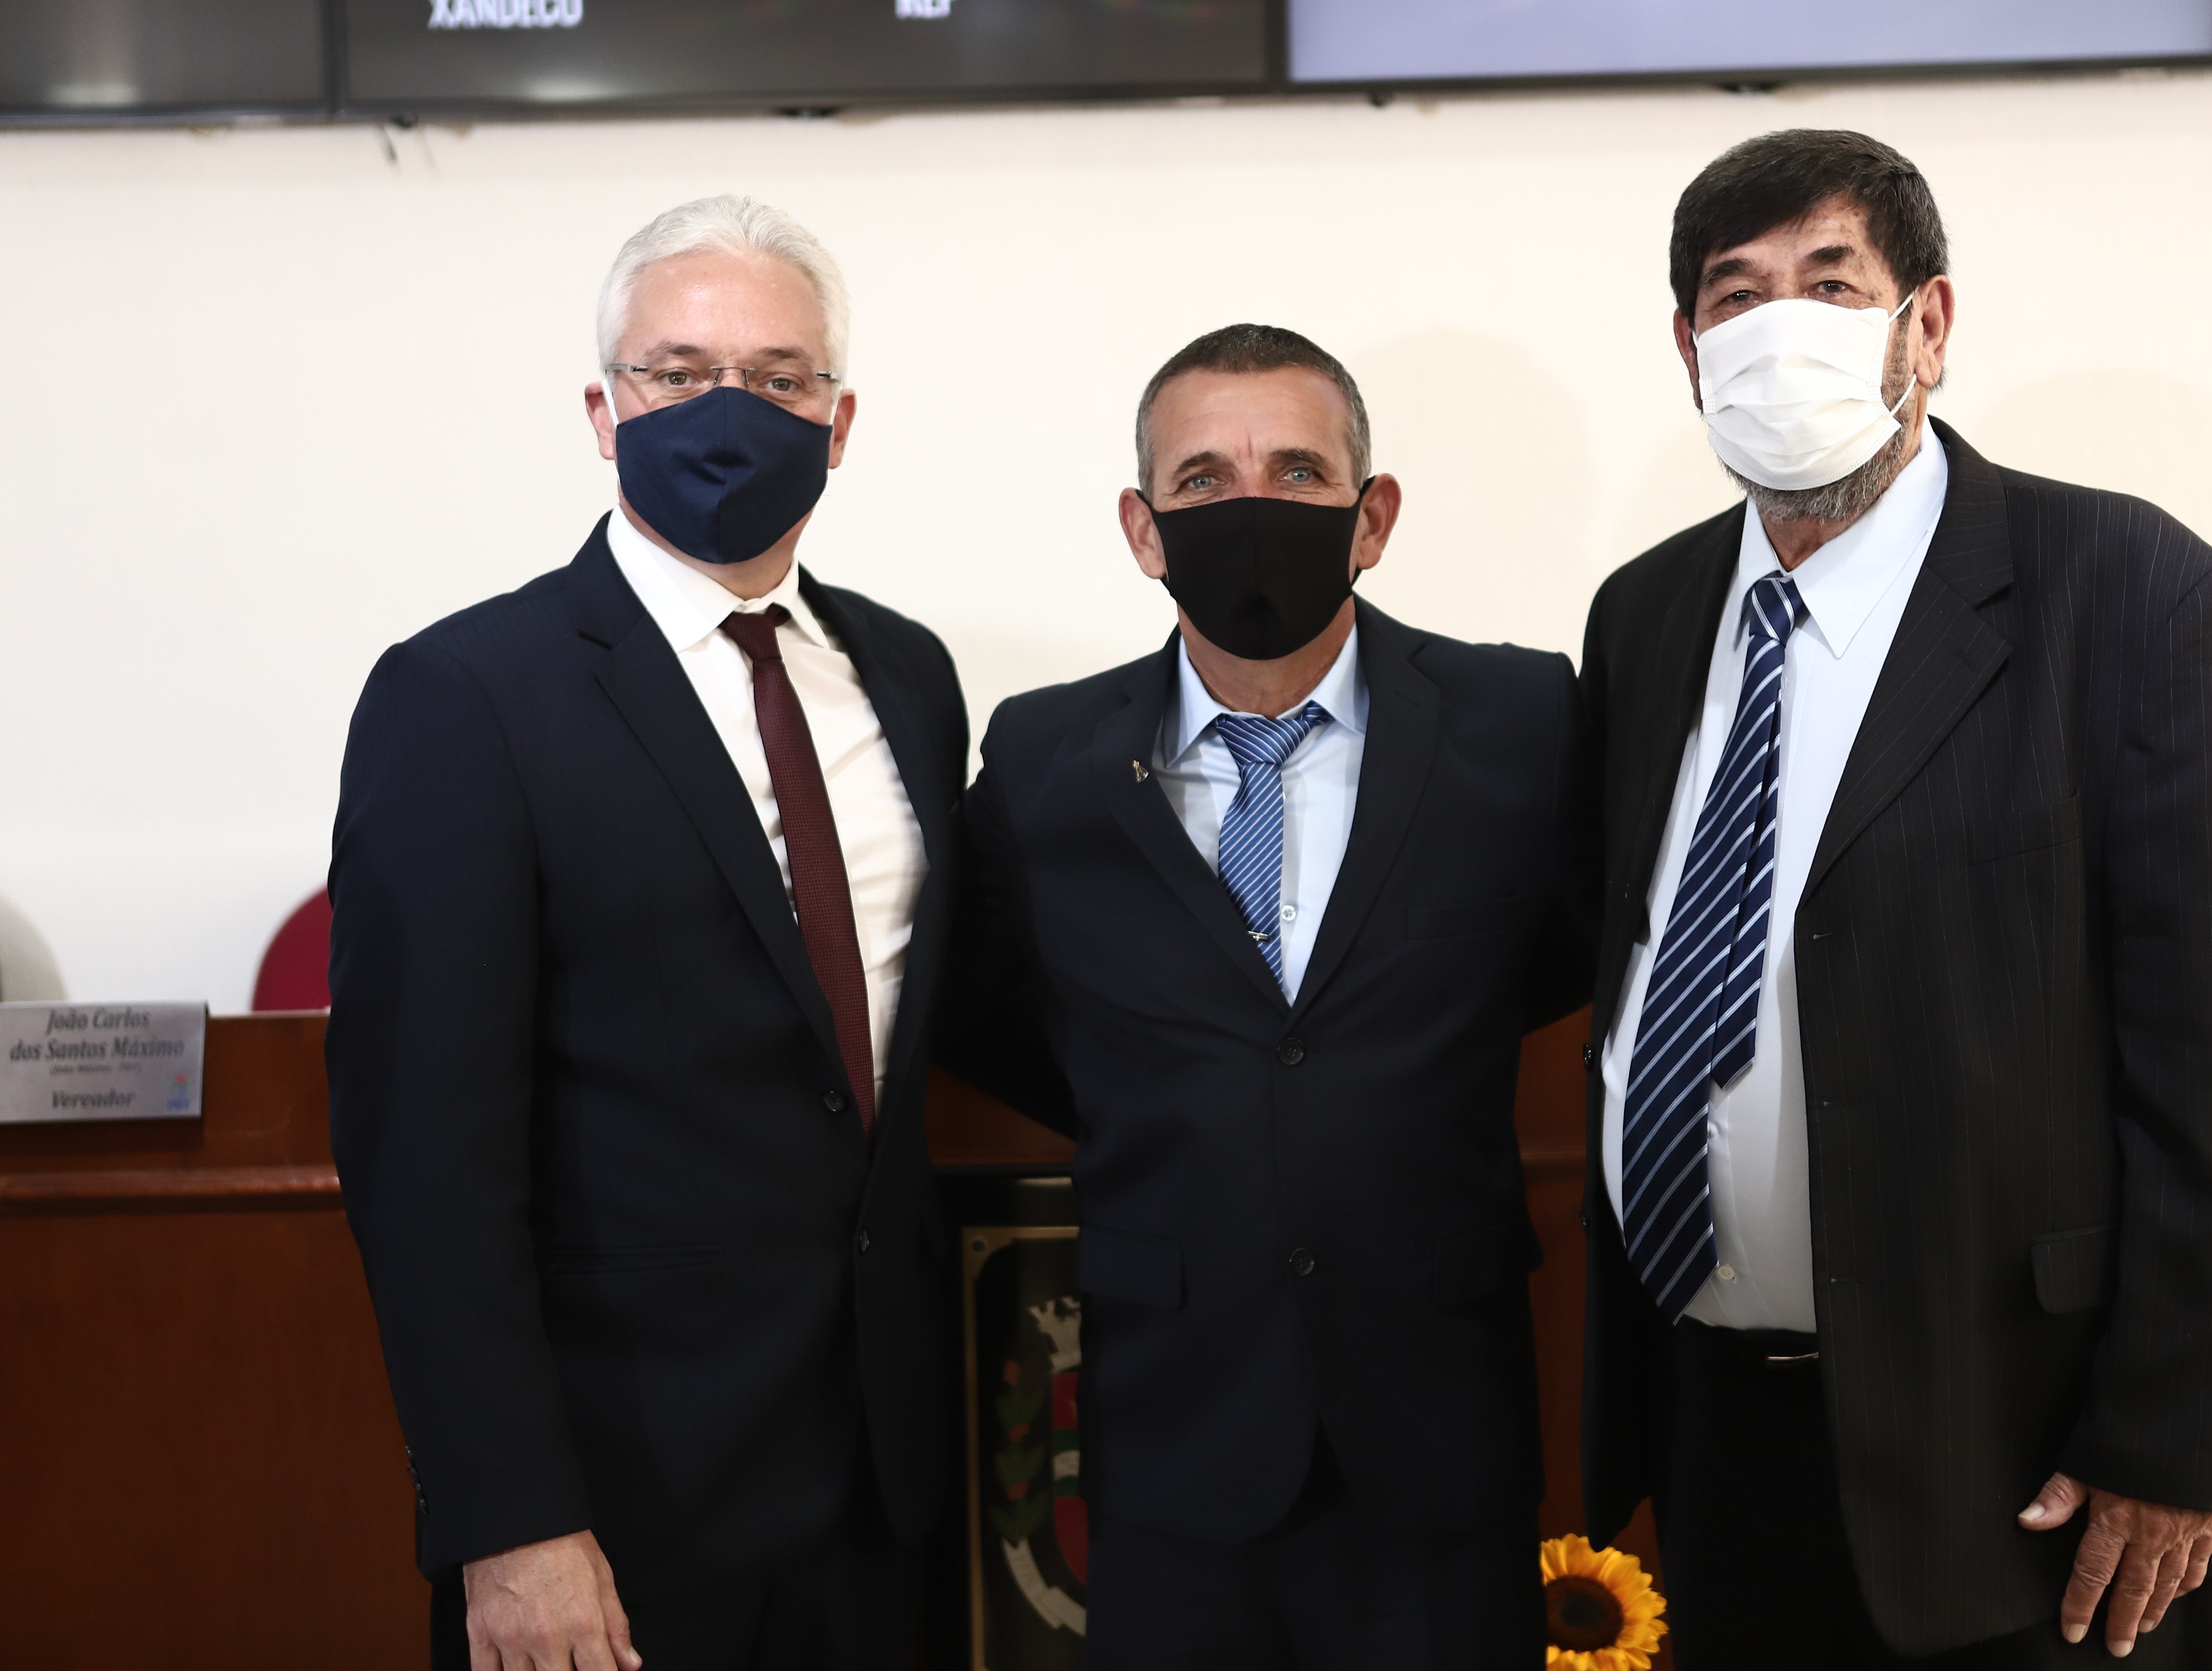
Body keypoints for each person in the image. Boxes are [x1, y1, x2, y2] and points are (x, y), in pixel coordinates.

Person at [1575, 130, 2212, 1668]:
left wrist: (2172, 1436)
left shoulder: (2132, 592)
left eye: (1831, 285)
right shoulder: (1644, 615)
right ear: (1688, 349)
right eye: (1736, 297)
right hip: (1722, 1444)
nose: (1778, 328)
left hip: (2027, 1464)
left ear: (1931, 323)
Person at [328, 195, 966, 1671]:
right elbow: (422, 1159)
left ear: (839, 421)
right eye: (679, 373)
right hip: (615, 1518)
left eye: (778, 377)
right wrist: (510, 1520)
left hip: (886, 1489)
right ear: (604, 413)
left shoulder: (909, 676)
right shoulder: (465, 695)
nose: (728, 410)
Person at [940, 324, 1595, 1670]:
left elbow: (1570, 958)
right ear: (1143, 528)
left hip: (1438, 1434)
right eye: (1204, 479)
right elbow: (989, 1009)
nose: (1252, 506)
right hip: (1171, 1439)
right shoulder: (1044, 757)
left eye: (1298, 472)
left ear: (1372, 516)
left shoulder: (1522, 721)